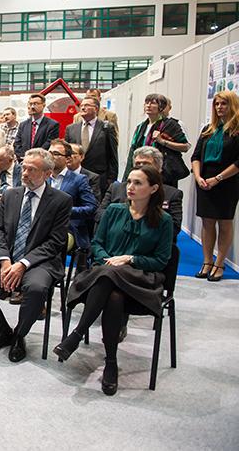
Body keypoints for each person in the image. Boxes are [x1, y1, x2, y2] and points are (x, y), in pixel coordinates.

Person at [55, 166, 172, 396]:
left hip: (140, 280)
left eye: (138, 183)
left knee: (110, 278)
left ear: (153, 188)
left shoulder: (163, 220)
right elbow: (97, 244)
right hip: (105, 274)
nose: (130, 187)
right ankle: (110, 362)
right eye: (129, 181)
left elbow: (161, 260)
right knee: (114, 295)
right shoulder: (114, 210)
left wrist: (130, 259)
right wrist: (108, 261)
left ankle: (77, 334)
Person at [0, 148, 72, 362]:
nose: (25, 173)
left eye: (32, 170)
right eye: (24, 168)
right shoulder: (10, 195)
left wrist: (22, 264)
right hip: (6, 256)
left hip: (39, 261)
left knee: (37, 288)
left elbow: (55, 242)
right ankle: (2, 330)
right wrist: (5, 261)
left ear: (47, 174)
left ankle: (19, 336)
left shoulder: (61, 200)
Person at [191, 90, 239, 282]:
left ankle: (219, 263)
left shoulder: (236, 131)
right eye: (217, 104)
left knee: (224, 222)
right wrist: (198, 177)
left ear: (232, 105)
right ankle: (207, 261)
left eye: (224, 104)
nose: (219, 107)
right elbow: (195, 156)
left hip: (227, 182)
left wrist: (218, 178)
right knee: (207, 222)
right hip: (204, 180)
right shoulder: (208, 130)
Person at [97, 146, 183, 237]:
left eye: (146, 164)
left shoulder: (172, 194)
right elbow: (99, 214)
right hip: (116, 237)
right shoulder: (116, 188)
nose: (141, 167)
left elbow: (174, 227)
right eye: (138, 164)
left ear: (159, 168)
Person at [124, 93, 190, 187]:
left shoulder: (170, 125)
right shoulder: (141, 127)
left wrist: (162, 141)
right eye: (146, 103)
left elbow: (185, 147)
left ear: (161, 107)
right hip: (141, 173)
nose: (148, 105)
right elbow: (133, 151)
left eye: (153, 103)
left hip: (163, 174)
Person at [47, 139, 97, 257]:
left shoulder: (79, 179)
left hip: (68, 228)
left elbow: (92, 208)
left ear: (68, 159)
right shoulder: (43, 178)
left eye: (56, 154)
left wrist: (65, 211)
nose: (51, 157)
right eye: (49, 153)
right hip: (43, 226)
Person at [65, 95, 119, 195]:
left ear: (96, 109)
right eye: (81, 105)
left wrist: (111, 182)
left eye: (87, 105)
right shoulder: (71, 129)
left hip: (99, 178)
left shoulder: (107, 128)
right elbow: (66, 154)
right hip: (75, 177)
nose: (83, 108)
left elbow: (113, 156)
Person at [13, 94, 60, 160]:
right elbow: (17, 143)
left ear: (43, 105)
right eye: (30, 104)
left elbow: (49, 144)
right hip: (24, 160)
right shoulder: (23, 125)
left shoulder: (52, 125)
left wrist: (34, 158)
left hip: (42, 160)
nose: (32, 107)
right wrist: (25, 157)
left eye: (35, 104)